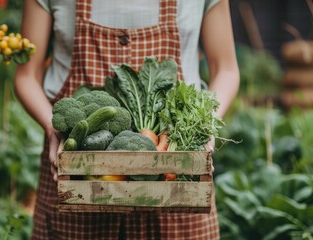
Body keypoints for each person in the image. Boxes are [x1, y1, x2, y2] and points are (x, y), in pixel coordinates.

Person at [14, 0, 239, 239]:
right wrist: (52, 130)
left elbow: (226, 69)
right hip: (74, 186)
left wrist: (206, 127)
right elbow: (26, 75)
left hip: (179, 197)